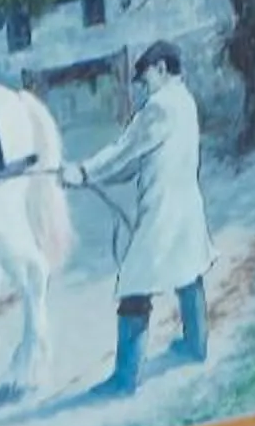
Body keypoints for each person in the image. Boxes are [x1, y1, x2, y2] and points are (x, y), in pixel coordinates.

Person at [61, 39, 214, 397]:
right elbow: (133, 162)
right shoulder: (185, 101)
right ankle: (196, 346)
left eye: (145, 79)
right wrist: (90, 177)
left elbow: (125, 151)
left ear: (162, 69)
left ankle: (125, 379)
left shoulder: (159, 108)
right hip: (186, 206)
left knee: (133, 287)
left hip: (162, 212)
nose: (143, 88)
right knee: (188, 271)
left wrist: (83, 172)